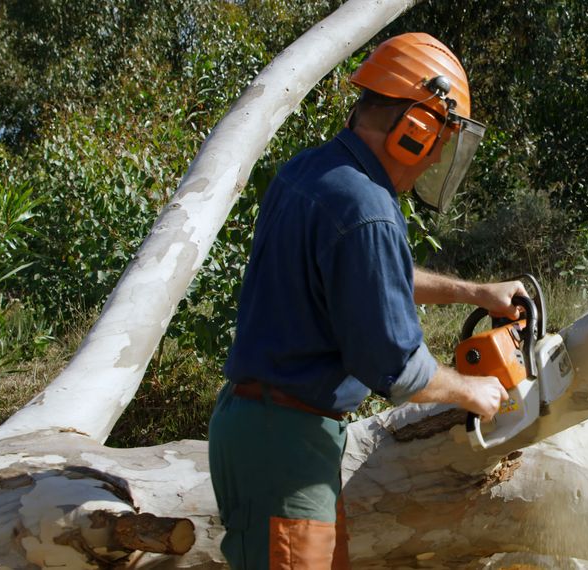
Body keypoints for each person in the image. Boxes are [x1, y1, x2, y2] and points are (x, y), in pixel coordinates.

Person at [208, 32, 517, 569]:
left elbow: (365, 275)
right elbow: (396, 368)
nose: (434, 159)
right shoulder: (365, 206)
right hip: (287, 443)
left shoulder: (311, 173)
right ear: (416, 131)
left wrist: (477, 293)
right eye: (439, 143)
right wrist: (473, 391)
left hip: (263, 427)